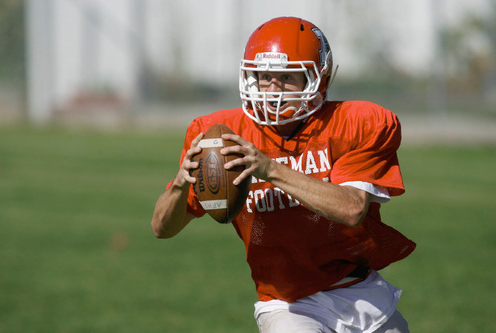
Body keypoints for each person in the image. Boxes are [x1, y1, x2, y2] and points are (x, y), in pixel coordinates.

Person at [151, 16, 416, 333]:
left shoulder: (355, 123)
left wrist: (269, 168)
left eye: (287, 77)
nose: (272, 90)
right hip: (288, 305)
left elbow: (352, 209)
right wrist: (181, 184)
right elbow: (161, 228)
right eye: (264, 76)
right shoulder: (220, 136)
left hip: (362, 292)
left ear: (321, 77)